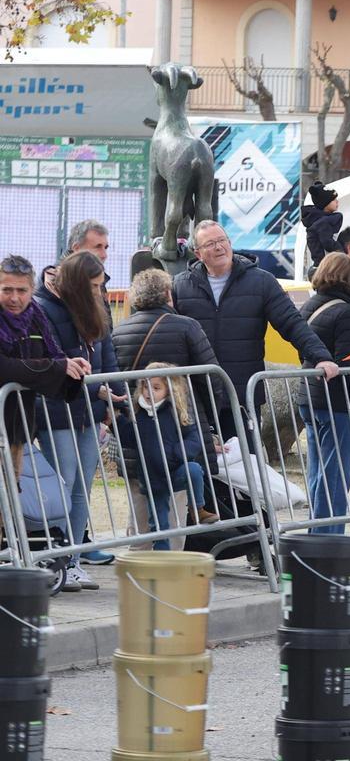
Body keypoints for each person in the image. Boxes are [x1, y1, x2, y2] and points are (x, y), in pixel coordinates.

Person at [174, 221, 339, 444]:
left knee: (245, 466)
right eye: (210, 244)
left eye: (222, 241)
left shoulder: (261, 281)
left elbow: (291, 322)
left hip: (241, 395)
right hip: (196, 396)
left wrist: (320, 356)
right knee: (204, 468)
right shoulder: (181, 285)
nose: (219, 247)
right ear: (198, 253)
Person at [34, 251, 124, 591]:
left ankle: (71, 558)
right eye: (94, 286)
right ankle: (57, 558)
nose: (100, 292)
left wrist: (109, 392)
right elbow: (52, 360)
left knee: (81, 489)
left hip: (88, 409)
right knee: (64, 482)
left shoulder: (93, 310)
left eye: (101, 286)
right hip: (58, 410)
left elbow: (105, 355)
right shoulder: (45, 308)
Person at [111, 268, 226, 527]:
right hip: (178, 431)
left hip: (138, 435)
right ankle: (169, 563)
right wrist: (208, 422)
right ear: (167, 295)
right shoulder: (187, 327)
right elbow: (210, 379)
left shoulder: (119, 332)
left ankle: (139, 562)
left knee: (141, 511)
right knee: (174, 513)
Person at [297, 254, 350, 540]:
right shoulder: (347, 312)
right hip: (336, 400)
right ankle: (329, 535)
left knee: (319, 469)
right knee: (335, 472)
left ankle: (316, 531)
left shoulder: (311, 305)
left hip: (310, 395)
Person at [0, 255, 87, 490]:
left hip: (16, 431)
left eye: (21, 290)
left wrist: (70, 366)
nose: (15, 298)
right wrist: (56, 367)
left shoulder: (36, 317)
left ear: (32, 289)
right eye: (7, 290)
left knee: (10, 504)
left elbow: (52, 356)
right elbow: (4, 367)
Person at [116, 363, 214, 550]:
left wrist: (177, 453)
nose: (149, 392)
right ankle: (163, 560)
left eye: (156, 387)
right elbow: (129, 438)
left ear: (169, 390)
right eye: (146, 386)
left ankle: (198, 508)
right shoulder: (139, 413)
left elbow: (194, 437)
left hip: (174, 470)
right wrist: (116, 421)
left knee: (194, 470)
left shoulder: (175, 411)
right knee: (159, 526)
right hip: (153, 481)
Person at [303, 181, 343, 270]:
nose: (337, 201)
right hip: (325, 266)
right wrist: (342, 252)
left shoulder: (318, 221)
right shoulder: (323, 223)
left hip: (322, 264)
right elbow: (327, 243)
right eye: (333, 199)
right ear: (324, 203)